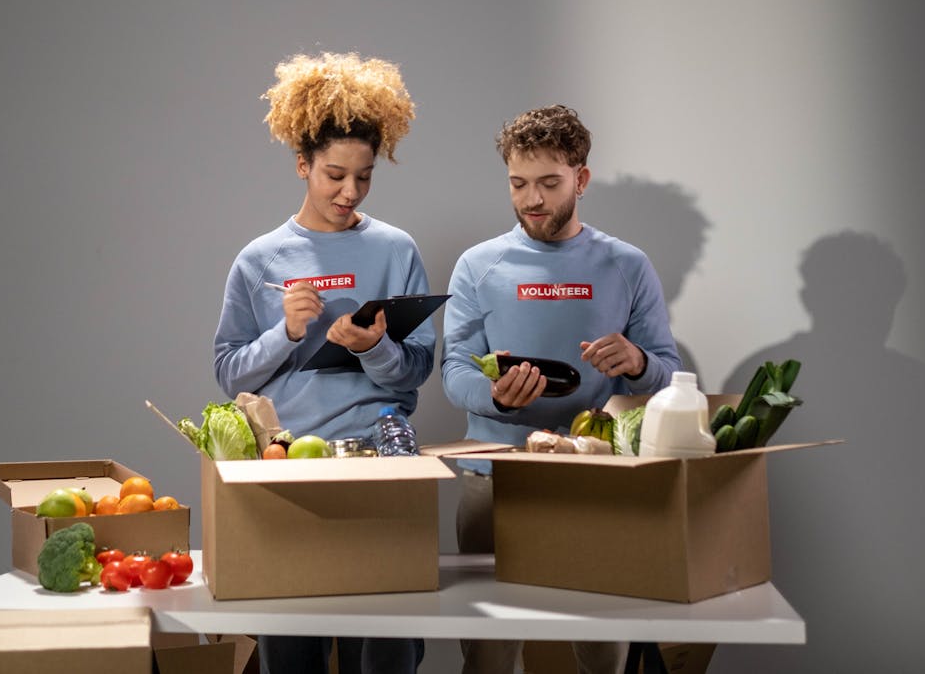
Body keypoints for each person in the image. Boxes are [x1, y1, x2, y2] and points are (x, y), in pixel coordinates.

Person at [441, 104, 681, 674]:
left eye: (549, 183)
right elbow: (454, 372)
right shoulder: (478, 266)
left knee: (603, 645)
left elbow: (669, 373)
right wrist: (496, 396)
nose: (532, 200)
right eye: (518, 184)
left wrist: (638, 360)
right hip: (494, 476)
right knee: (490, 651)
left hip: (594, 478)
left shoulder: (626, 265)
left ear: (581, 178)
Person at [213, 51, 431, 674]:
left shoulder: (396, 249)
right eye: (334, 174)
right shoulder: (259, 260)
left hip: (382, 464)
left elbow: (418, 370)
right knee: (292, 649)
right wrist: (286, 332)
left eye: (364, 177)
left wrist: (376, 348)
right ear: (303, 164)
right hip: (289, 471)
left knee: (390, 650)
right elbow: (229, 372)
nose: (349, 191)